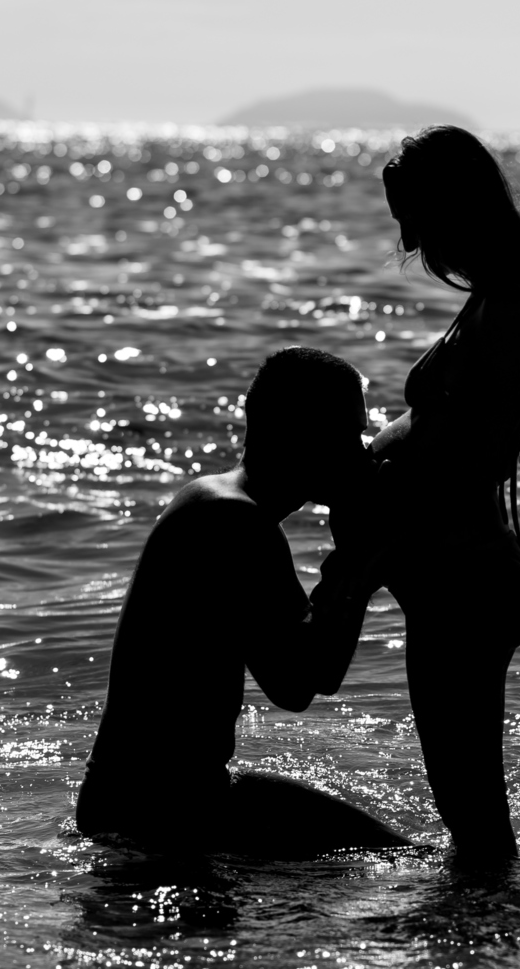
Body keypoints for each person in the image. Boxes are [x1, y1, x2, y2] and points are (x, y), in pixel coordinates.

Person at [75, 346, 405, 859]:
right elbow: (299, 683)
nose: (362, 455)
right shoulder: (234, 520)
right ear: (298, 433)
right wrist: (358, 565)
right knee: (399, 862)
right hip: (153, 814)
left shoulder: (222, 503)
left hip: (162, 798)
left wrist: (353, 565)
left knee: (396, 855)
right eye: (349, 435)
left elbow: (307, 672)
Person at [368, 126, 520, 862]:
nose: (408, 238)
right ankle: (481, 924)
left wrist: (383, 497)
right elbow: (444, 429)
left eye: (414, 216)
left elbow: (481, 457)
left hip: (467, 578)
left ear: (453, 206)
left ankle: (495, 926)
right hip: (450, 577)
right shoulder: (489, 304)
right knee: (464, 807)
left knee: (474, 814)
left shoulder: (506, 310)